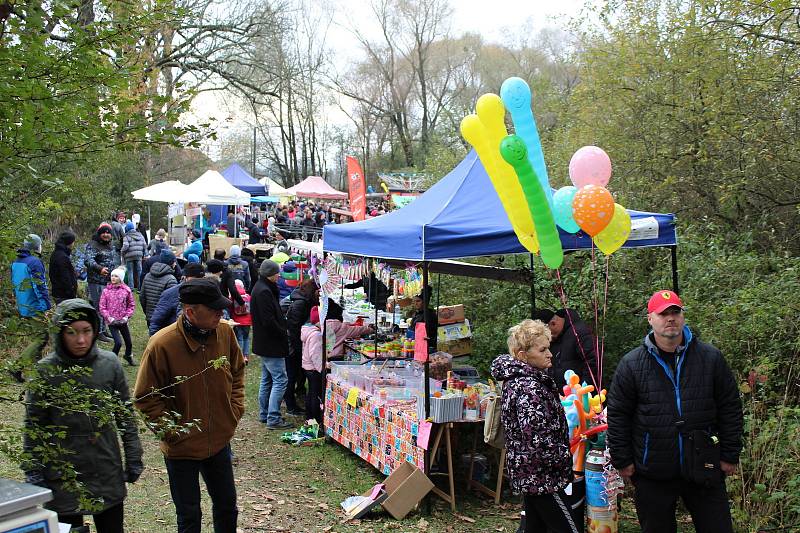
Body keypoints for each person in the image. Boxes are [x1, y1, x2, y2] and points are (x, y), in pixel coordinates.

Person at [607, 290, 743, 533]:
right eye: (663, 314)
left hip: (704, 464)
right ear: (650, 319)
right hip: (653, 469)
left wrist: (730, 453)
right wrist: (623, 460)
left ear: (683, 316)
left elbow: (730, 407)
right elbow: (618, 415)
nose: (670, 318)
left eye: (675, 312)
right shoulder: (632, 364)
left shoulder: (710, 358)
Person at [134, 278, 245, 533]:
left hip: (218, 440)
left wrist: (234, 410)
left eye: (221, 307)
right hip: (181, 449)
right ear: (190, 311)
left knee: (227, 507)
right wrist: (173, 433)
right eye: (214, 309)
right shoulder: (162, 344)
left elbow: (237, 371)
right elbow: (145, 397)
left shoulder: (225, 332)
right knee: (189, 517)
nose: (221, 313)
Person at [23, 298, 143, 531]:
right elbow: (34, 425)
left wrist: (133, 456)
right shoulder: (46, 371)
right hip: (63, 472)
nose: (81, 340)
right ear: (60, 333)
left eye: (87, 331)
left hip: (105, 466)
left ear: (95, 330)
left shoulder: (109, 364)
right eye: (72, 332)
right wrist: (33, 470)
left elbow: (124, 415)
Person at [490, 319, 576, 533]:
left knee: (534, 527)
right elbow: (538, 440)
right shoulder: (529, 388)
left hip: (531, 474)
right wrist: (564, 459)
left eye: (549, 347)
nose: (550, 354)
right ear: (522, 355)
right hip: (542, 476)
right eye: (543, 349)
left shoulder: (523, 380)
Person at [250, 259, 292, 429]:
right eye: (276, 273)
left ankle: (264, 413)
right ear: (270, 274)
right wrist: (283, 332)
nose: (278, 275)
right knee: (280, 379)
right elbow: (268, 320)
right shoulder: (264, 292)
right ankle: (273, 417)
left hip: (264, 342)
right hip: (270, 343)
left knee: (268, 379)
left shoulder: (263, 288)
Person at [534, 308, 599, 389]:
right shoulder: (556, 338)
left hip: (582, 395)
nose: (548, 336)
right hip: (564, 396)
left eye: (547, 332)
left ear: (553, 323)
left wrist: (583, 390)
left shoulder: (579, 332)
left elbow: (593, 362)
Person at [285, 279, 319, 415]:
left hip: (295, 343)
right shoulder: (300, 303)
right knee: (291, 375)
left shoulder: (302, 300)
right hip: (292, 345)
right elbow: (293, 327)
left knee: (295, 374)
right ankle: (290, 405)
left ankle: (296, 396)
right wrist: (299, 347)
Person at [149, 262, 207, 336]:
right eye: (193, 280)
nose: (196, 284)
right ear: (185, 278)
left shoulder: (207, 292)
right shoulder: (171, 294)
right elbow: (156, 321)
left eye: (200, 280)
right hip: (176, 338)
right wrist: (155, 341)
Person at [85, 223, 117, 342]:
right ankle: (98, 332)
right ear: (99, 233)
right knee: (98, 306)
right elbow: (88, 260)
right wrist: (99, 269)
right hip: (96, 281)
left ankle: (103, 330)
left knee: (105, 306)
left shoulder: (110, 245)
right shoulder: (93, 245)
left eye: (108, 232)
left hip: (108, 281)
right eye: (103, 232)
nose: (106, 235)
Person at [99, 267, 136, 365]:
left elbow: (131, 305)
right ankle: (111, 362)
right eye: (112, 276)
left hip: (122, 321)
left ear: (121, 278)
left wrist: (126, 317)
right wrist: (109, 318)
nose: (113, 278)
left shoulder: (126, 290)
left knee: (129, 343)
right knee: (118, 343)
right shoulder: (106, 291)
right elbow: (102, 307)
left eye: (116, 276)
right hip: (112, 322)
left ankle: (128, 356)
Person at [11, 234, 51, 318]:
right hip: (35, 310)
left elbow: (14, 286)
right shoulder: (34, 262)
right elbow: (39, 286)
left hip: (22, 308)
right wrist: (46, 307)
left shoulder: (16, 262)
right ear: (37, 247)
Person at [140, 249, 178, 325]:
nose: (176, 264)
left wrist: (148, 313)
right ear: (171, 262)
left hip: (150, 317)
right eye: (175, 261)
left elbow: (142, 297)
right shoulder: (171, 279)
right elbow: (172, 303)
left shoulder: (148, 275)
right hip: (164, 320)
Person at [300, 306, 324, 424]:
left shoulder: (308, 330)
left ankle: (309, 416)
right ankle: (314, 418)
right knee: (315, 394)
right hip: (314, 368)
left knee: (311, 392)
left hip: (307, 366)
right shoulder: (316, 335)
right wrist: (322, 368)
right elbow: (315, 354)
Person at [49, 230, 78, 303]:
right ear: (69, 242)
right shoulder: (62, 257)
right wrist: (71, 293)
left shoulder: (56, 253)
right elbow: (65, 278)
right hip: (64, 296)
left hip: (58, 293)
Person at [230, 279, 252, 365]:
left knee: (239, 338)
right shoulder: (248, 296)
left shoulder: (233, 297)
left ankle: (240, 356)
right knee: (246, 338)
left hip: (237, 321)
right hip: (247, 322)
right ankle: (245, 356)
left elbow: (231, 309)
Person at [121, 220, 146, 290]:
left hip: (129, 256)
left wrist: (122, 251)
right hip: (139, 255)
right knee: (139, 271)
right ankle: (140, 288)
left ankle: (131, 288)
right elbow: (144, 245)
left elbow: (125, 246)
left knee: (130, 271)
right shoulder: (140, 235)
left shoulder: (126, 236)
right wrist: (143, 253)